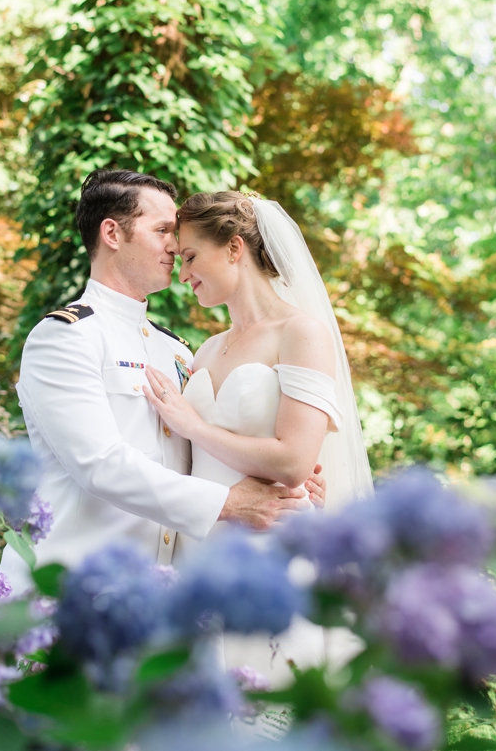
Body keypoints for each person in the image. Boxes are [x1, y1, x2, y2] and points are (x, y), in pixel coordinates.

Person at [0, 169, 316, 590]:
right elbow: (101, 465)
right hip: (70, 585)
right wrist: (229, 503)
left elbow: (203, 450)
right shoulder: (65, 336)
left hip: (158, 594)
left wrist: (288, 482)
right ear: (112, 233)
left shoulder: (179, 352)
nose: (176, 245)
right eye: (163, 229)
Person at [143, 190, 375, 685]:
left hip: (272, 548)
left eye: (189, 257)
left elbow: (293, 462)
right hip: (200, 547)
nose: (181, 274)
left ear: (233, 248)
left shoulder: (301, 332)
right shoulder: (202, 352)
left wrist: (194, 425)